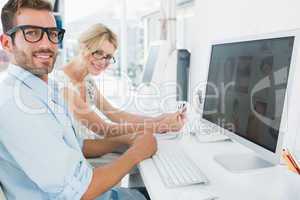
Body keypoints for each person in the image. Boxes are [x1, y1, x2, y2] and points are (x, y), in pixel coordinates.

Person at [0, 0, 156, 199]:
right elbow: (81, 191)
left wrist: (125, 141)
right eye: (31, 33)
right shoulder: (16, 104)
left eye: (52, 34)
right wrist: (137, 152)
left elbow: (79, 145)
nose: (47, 44)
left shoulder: (45, 88)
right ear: (7, 43)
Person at [50, 23, 186, 145]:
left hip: (93, 147)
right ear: (83, 48)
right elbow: (104, 129)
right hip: (80, 157)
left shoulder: (87, 80)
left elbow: (116, 115)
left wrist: (159, 118)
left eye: (108, 56)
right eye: (98, 53)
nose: (103, 61)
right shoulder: (61, 83)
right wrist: (161, 126)